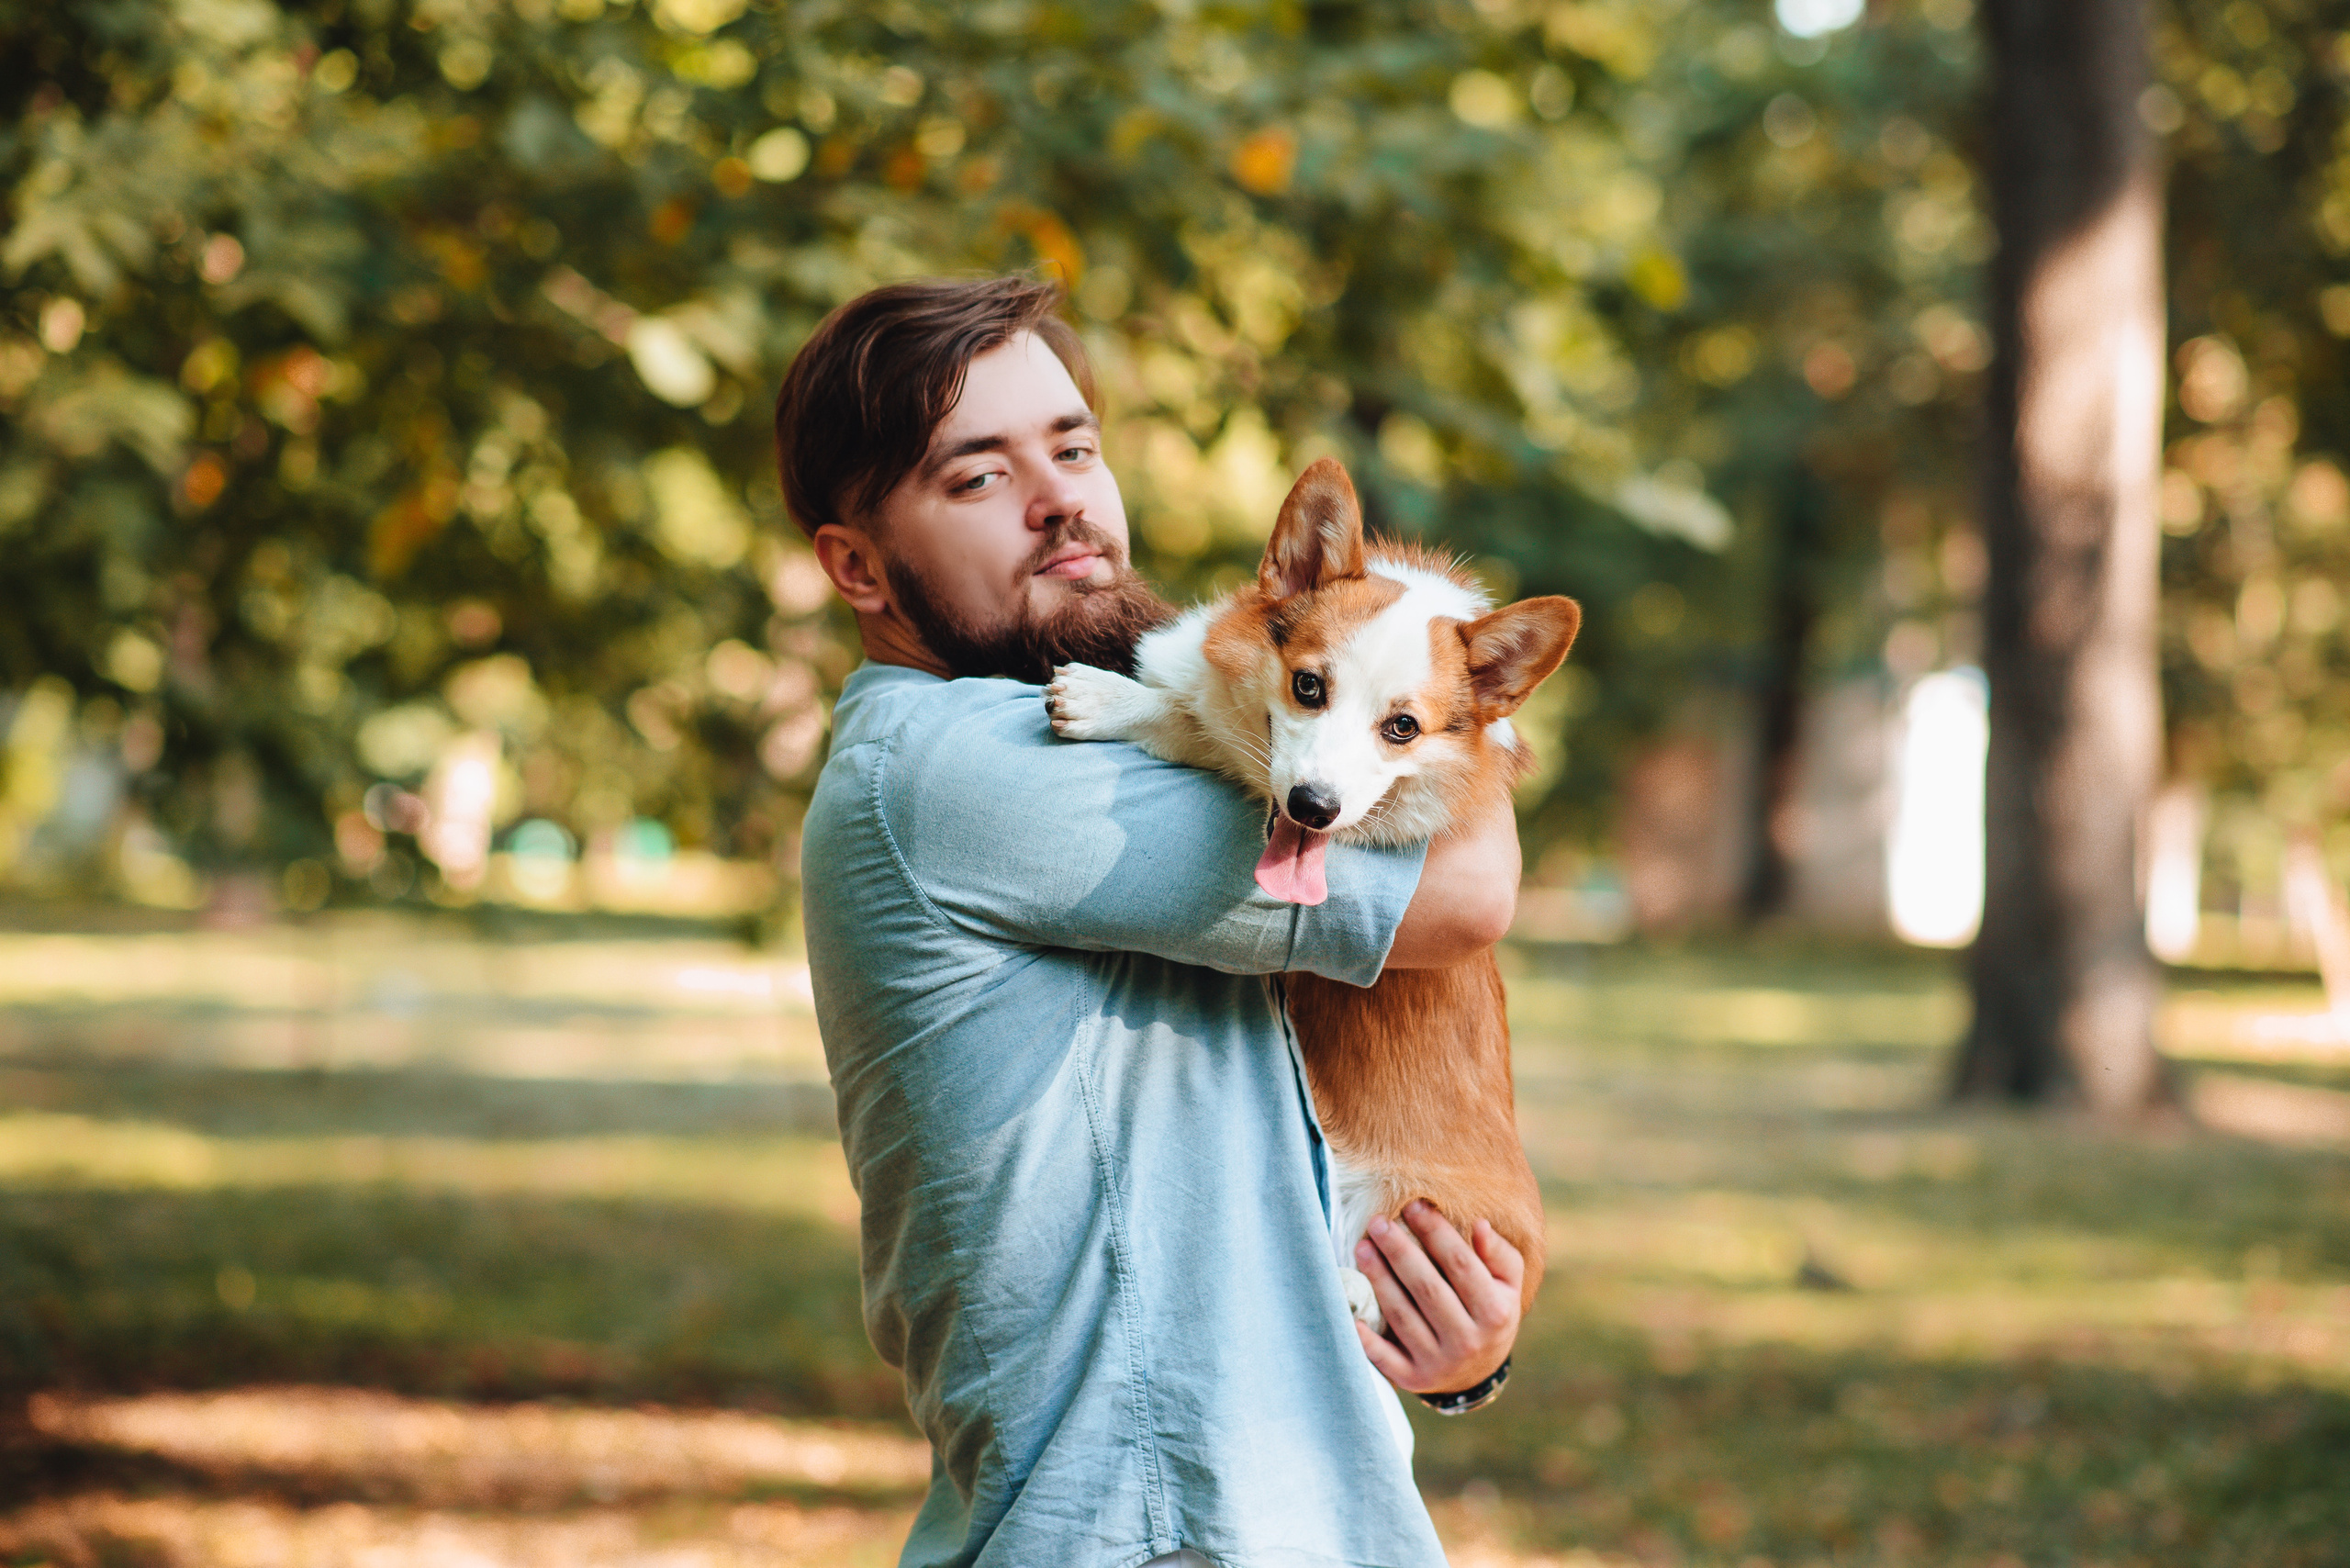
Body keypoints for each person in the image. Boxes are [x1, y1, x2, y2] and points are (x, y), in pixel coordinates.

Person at [780, 274, 1526, 1567]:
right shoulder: (964, 764)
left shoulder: (1163, 754)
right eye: (977, 477)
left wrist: (1455, 1349)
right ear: (856, 565)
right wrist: (1464, 690)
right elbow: (1462, 896)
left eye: (1073, 447)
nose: (1063, 498)